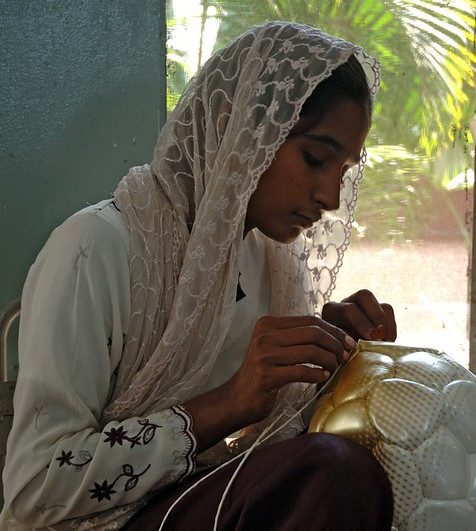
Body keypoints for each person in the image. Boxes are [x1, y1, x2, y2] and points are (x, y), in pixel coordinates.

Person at [1, 21, 396, 530]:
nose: (331, 198)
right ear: (238, 126)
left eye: (343, 171)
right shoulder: (95, 250)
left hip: (189, 504)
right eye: (315, 157)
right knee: (336, 476)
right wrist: (229, 402)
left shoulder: (275, 270)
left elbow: (272, 446)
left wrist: (338, 367)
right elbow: (36, 485)